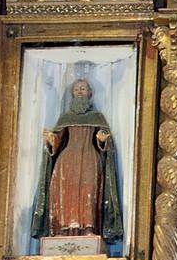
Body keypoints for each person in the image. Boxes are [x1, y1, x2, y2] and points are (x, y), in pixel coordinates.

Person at [31, 75, 124, 249]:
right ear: (72, 94)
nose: (79, 91)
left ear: (90, 93)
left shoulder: (97, 117)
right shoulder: (65, 117)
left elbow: (105, 145)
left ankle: (89, 227)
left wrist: (102, 140)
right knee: (66, 193)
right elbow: (58, 141)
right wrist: (52, 140)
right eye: (76, 89)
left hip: (89, 158)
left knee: (88, 192)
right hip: (66, 160)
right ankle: (63, 229)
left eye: (83, 88)